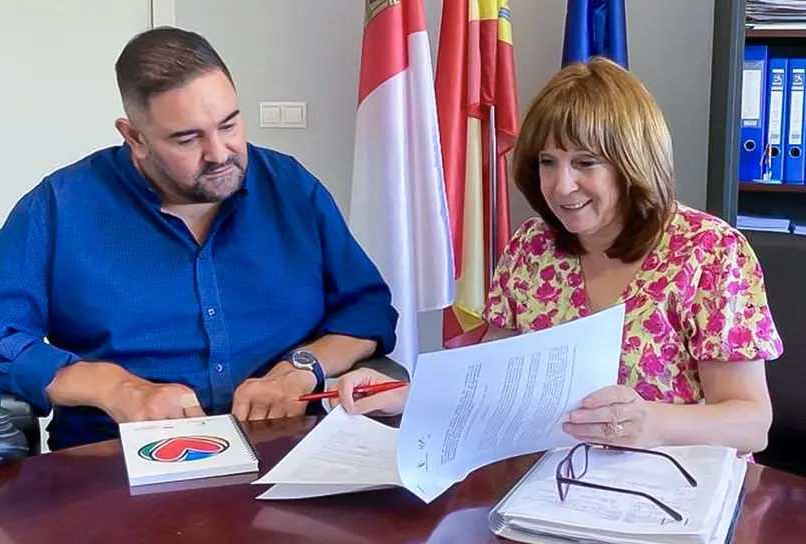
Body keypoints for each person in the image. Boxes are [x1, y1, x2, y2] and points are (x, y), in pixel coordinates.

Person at [0, 26, 398, 450]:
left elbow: (366, 309)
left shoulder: (290, 188)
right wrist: (113, 387)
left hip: (288, 449)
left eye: (229, 125)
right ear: (134, 137)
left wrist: (301, 368)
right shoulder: (62, 207)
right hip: (116, 464)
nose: (219, 153)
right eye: (188, 138)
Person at [333, 57, 783, 457]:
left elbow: (750, 423)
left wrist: (654, 423)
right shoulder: (532, 246)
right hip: (545, 480)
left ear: (633, 163)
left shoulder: (710, 252)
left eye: (585, 163)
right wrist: (404, 395)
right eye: (548, 162)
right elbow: (489, 381)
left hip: (671, 487)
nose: (561, 186)